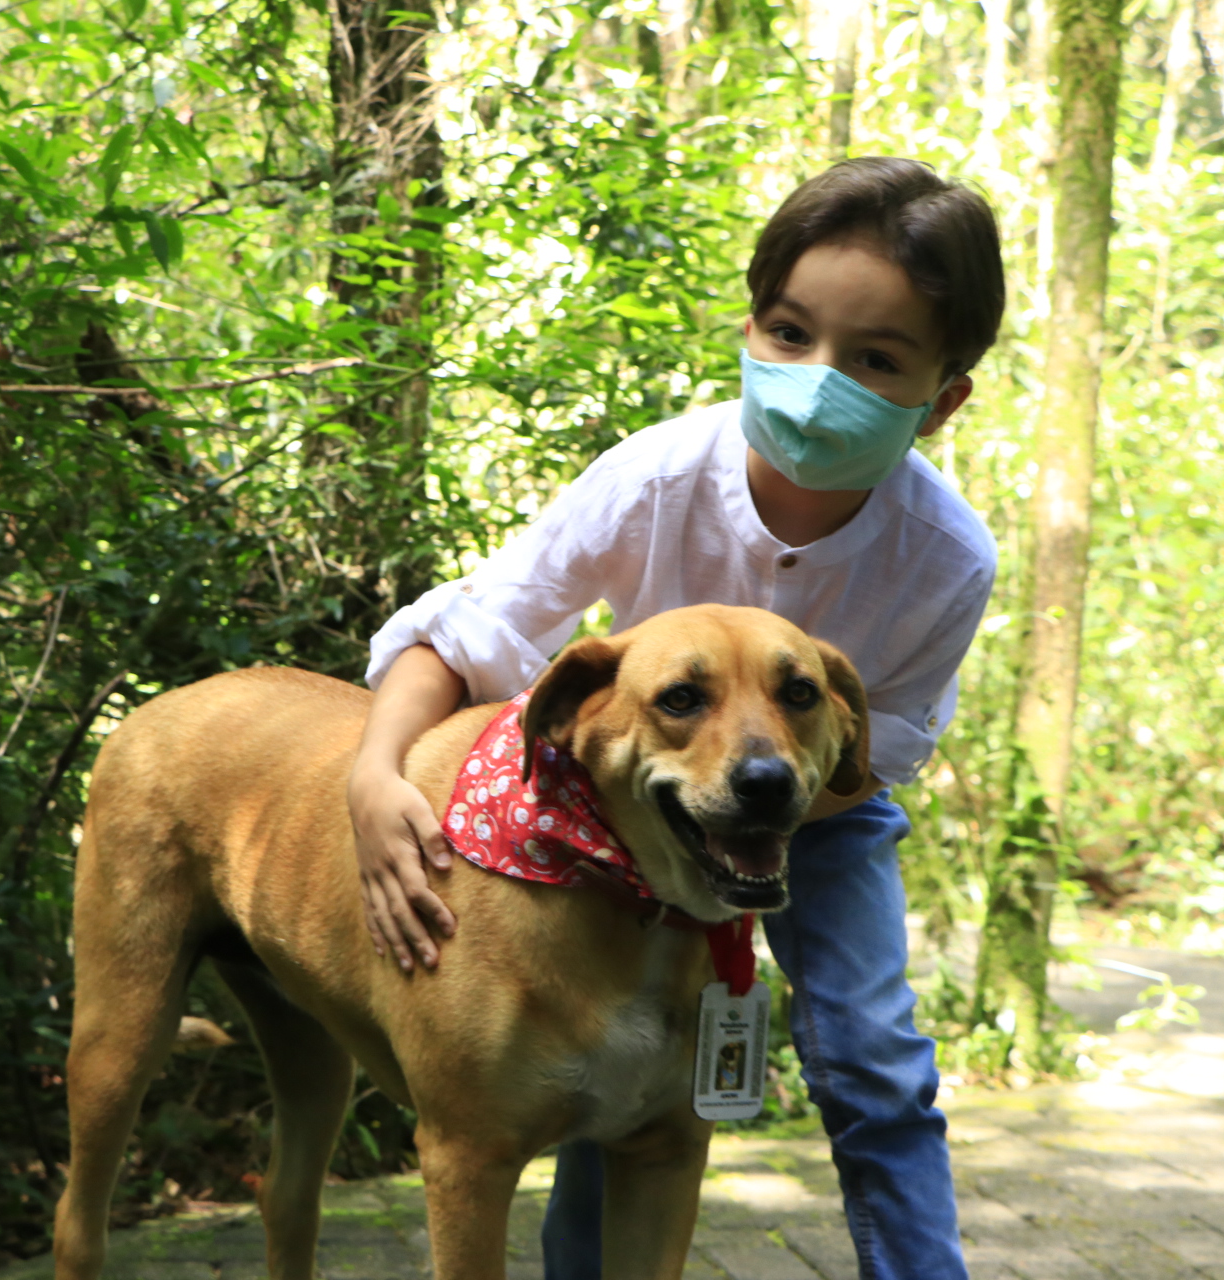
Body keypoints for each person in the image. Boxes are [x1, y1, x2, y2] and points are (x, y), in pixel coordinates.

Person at [346, 156, 1002, 1280]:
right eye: (792, 334)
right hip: (635, 805)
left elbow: (875, 751)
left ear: (942, 398)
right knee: (623, 1057)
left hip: (820, 806)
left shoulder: (944, 559)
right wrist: (371, 768)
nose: (817, 374)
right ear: (751, 331)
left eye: (876, 358)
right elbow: (471, 627)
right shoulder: (657, 476)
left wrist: (764, 812)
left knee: (876, 1058)